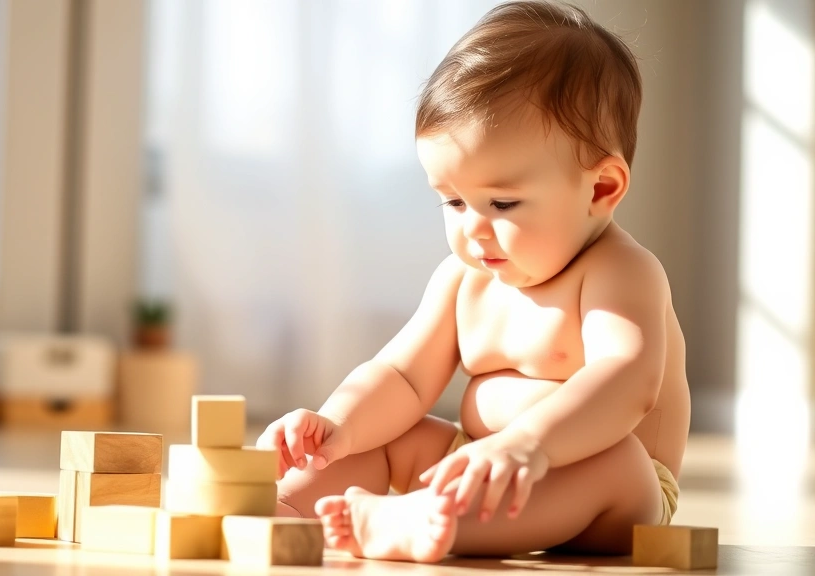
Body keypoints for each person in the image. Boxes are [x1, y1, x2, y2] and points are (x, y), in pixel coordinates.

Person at [255, 0, 690, 563]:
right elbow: (403, 378)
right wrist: (336, 424)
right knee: (389, 435)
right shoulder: (463, 281)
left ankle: (425, 527)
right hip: (479, 462)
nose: (473, 229)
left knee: (619, 460)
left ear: (601, 188)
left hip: (610, 492)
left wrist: (529, 445)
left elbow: (627, 380)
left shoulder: (621, 272)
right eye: (454, 201)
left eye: (503, 203)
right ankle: (288, 507)